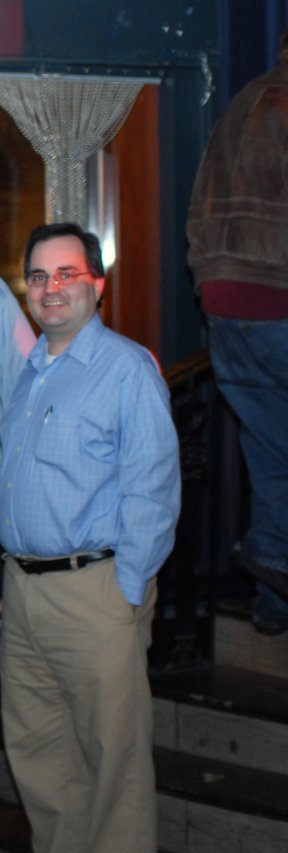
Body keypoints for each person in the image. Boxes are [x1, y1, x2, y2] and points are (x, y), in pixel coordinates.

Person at [0, 223, 180, 853]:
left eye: (68, 273)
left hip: (96, 592)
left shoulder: (127, 369)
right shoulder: (31, 371)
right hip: (26, 591)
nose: (52, 288)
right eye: (39, 276)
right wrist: (19, 588)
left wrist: (125, 593)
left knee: (111, 768)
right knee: (41, 762)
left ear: (98, 282)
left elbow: (153, 490)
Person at [187, 28, 288, 635]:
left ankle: (274, 599)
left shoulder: (242, 100)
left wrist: (207, 279)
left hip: (224, 306)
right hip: (277, 294)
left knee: (272, 450)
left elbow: (198, 203)